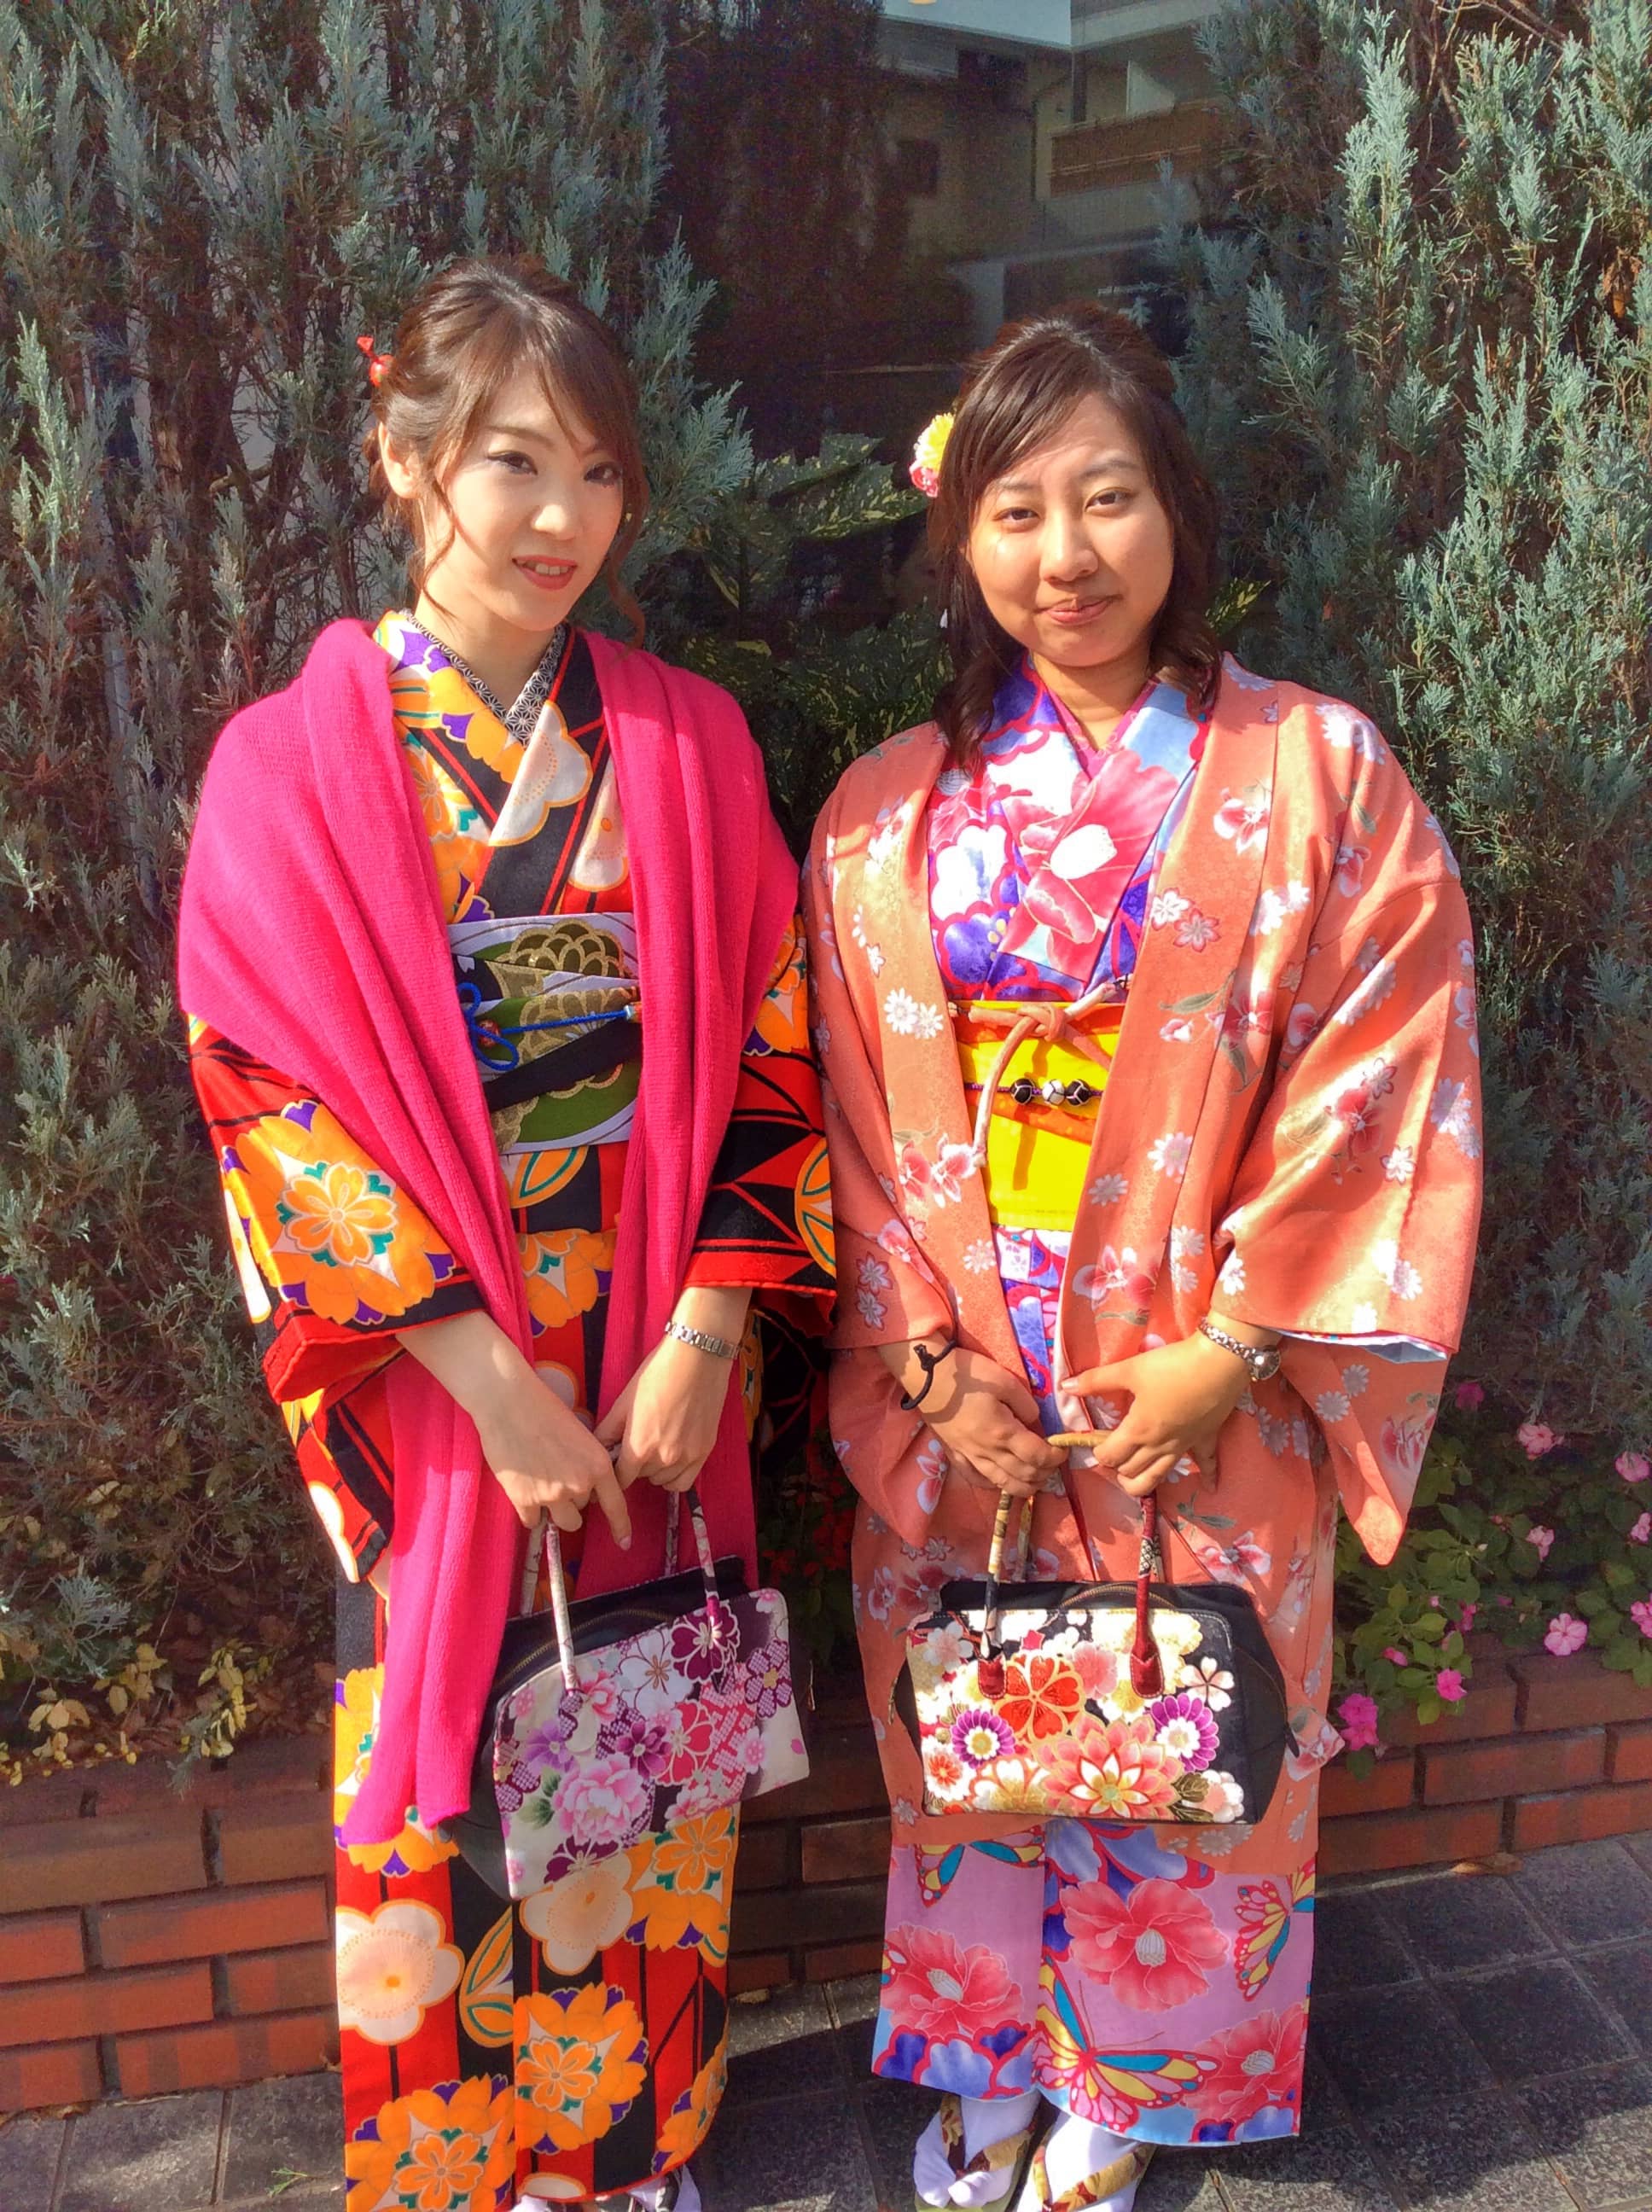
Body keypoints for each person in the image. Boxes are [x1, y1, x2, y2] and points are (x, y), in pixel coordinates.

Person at [803, 304, 1481, 2212]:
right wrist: (921, 1359)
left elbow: (1385, 1069)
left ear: (1174, 508)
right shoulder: (879, 809)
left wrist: (1238, 1345)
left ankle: (1132, 2085)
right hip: (972, 1377)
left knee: (1192, 1709)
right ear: (962, 540)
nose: (1065, 554)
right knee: (977, 1719)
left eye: (1105, 498)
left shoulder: (1317, 770)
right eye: (1015, 510)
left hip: (1201, 1366)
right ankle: (989, 2052)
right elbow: (836, 1103)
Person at [178, 257, 833, 2212]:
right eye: (513, 462)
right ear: (403, 460)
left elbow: (776, 1041)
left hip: (649, 1356)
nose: (563, 517)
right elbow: (265, 1102)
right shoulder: (287, 766)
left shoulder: (688, 744)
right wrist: (487, 1387)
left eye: (600, 472)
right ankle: (469, 2165)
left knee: (640, 1734)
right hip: (436, 1389)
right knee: (449, 1754)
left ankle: (632, 2145)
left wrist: (704, 1337)